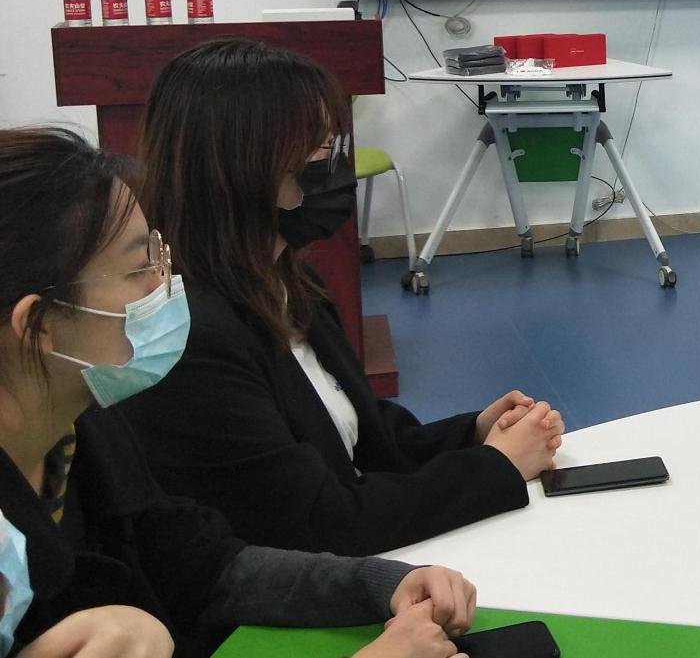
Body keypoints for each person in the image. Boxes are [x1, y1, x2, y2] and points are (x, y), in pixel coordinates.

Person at [0, 126, 475, 658]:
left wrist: (376, 583)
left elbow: (200, 564)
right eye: (138, 268)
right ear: (39, 326)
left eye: (158, 254)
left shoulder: (83, 423)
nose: (165, 284)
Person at [120, 39, 564, 557]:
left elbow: (356, 432)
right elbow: (324, 524)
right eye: (317, 148)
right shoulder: (194, 337)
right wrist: (497, 467)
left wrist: (472, 432)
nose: (335, 164)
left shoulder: (286, 282)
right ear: (241, 163)